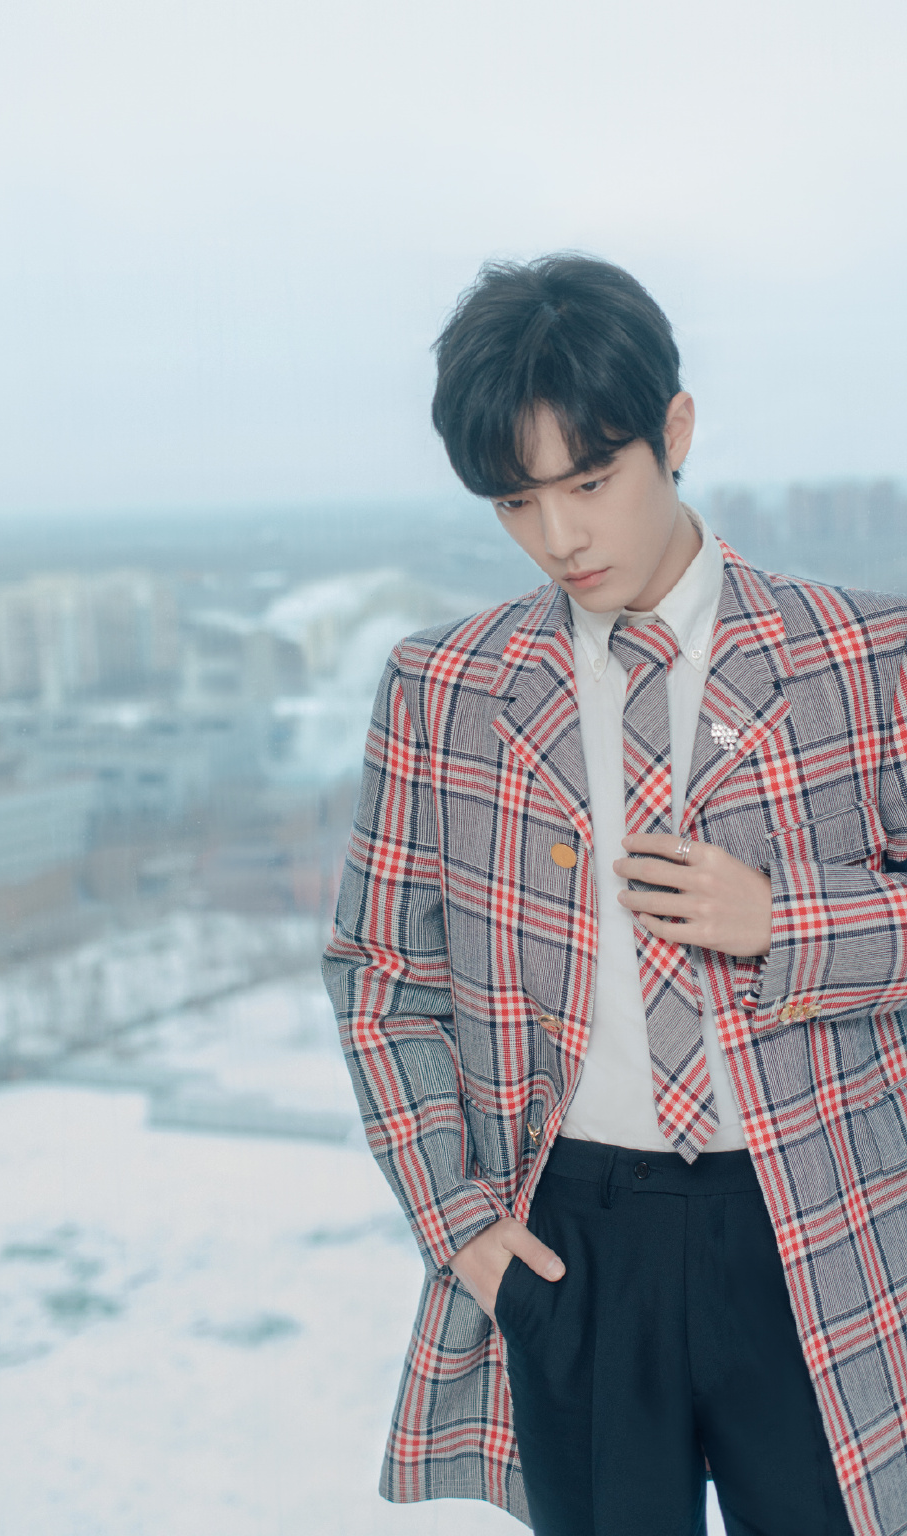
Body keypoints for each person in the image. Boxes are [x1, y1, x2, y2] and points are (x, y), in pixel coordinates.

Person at [321, 254, 907, 1536]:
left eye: (589, 482)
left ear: (673, 432)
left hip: (820, 1223)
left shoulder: (866, 658)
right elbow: (380, 979)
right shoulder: (444, 690)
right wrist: (463, 1229)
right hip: (569, 1243)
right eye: (517, 502)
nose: (560, 537)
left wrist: (787, 921)